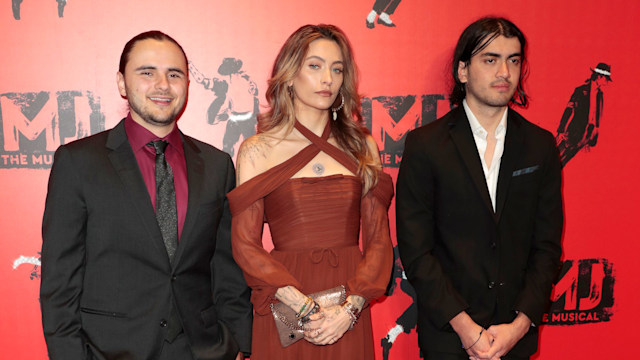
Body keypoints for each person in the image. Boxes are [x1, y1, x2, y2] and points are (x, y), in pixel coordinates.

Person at [40, 31, 252, 360]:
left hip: (203, 349)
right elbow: (59, 281)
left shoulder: (216, 165)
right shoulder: (79, 162)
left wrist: (236, 343)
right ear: (122, 83)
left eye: (174, 74)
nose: (163, 85)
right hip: (109, 350)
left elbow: (227, 267)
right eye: (147, 72)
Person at [396, 17, 563, 360]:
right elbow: (416, 251)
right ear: (463, 70)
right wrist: (466, 329)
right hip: (448, 338)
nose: (504, 71)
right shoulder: (425, 145)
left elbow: (546, 248)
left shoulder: (540, 145)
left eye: (514, 60)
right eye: (490, 59)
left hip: (514, 340)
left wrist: (519, 327)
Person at [228, 24, 394, 359]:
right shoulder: (257, 150)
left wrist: (350, 309)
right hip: (286, 299)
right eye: (315, 66)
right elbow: (245, 245)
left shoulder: (362, 146)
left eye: (337, 69)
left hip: (348, 306)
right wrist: (300, 305)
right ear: (289, 75)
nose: (328, 79)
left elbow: (378, 241)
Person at [556, 62, 612, 166]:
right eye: (606, 79)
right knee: (555, 157)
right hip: (571, 133)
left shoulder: (600, 95)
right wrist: (561, 130)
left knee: (563, 162)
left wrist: (590, 139)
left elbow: (597, 119)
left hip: (584, 138)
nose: (607, 82)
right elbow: (569, 110)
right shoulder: (581, 91)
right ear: (599, 77)